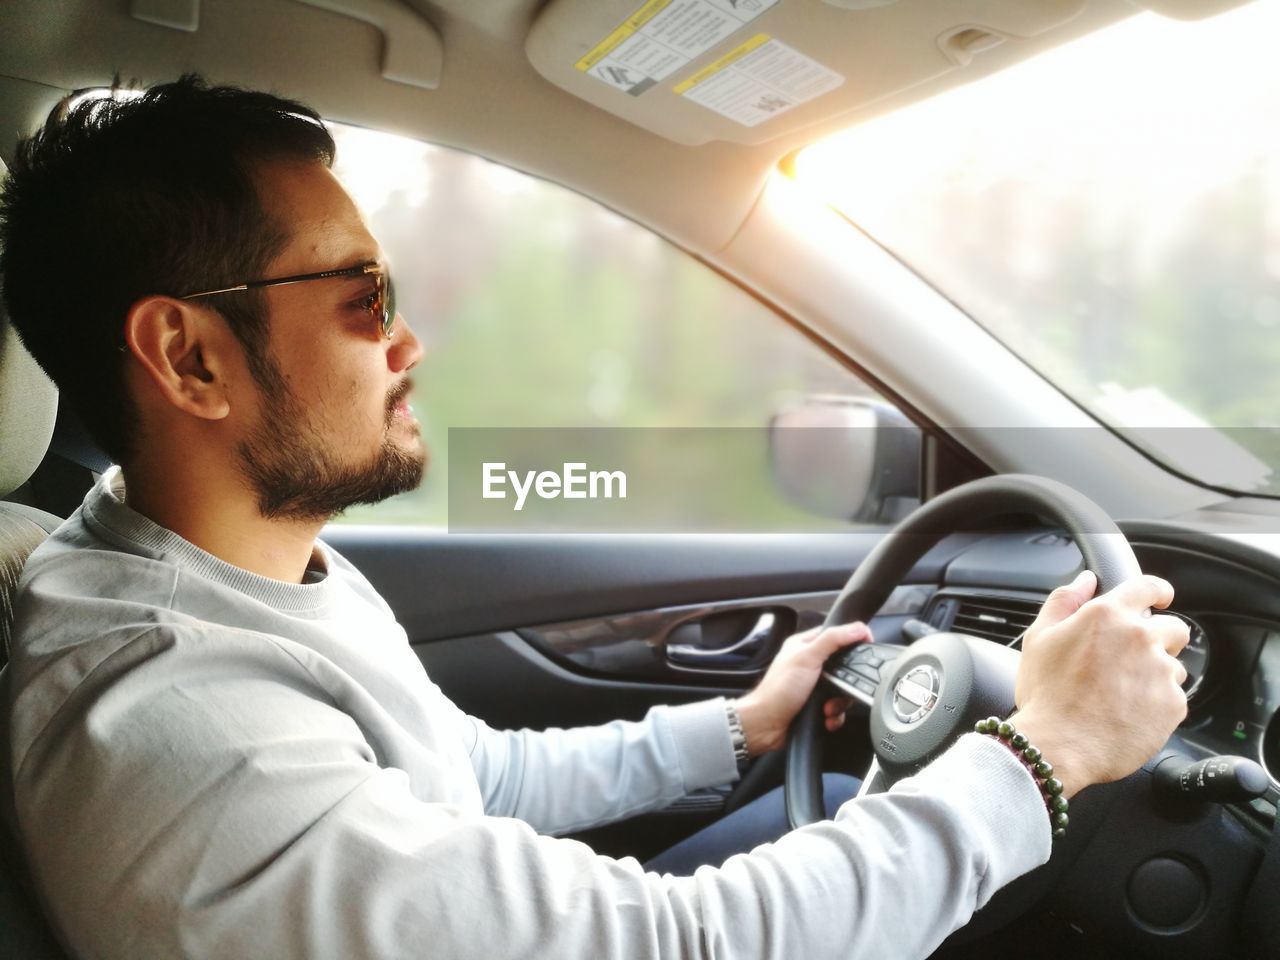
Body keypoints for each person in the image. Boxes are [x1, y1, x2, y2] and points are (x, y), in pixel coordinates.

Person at [0, 76, 1190, 960]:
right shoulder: (181, 728)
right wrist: (1044, 754)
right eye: (363, 295)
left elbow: (471, 779)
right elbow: (679, 948)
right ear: (190, 356)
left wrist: (740, 725)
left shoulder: (244, 569)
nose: (407, 342)